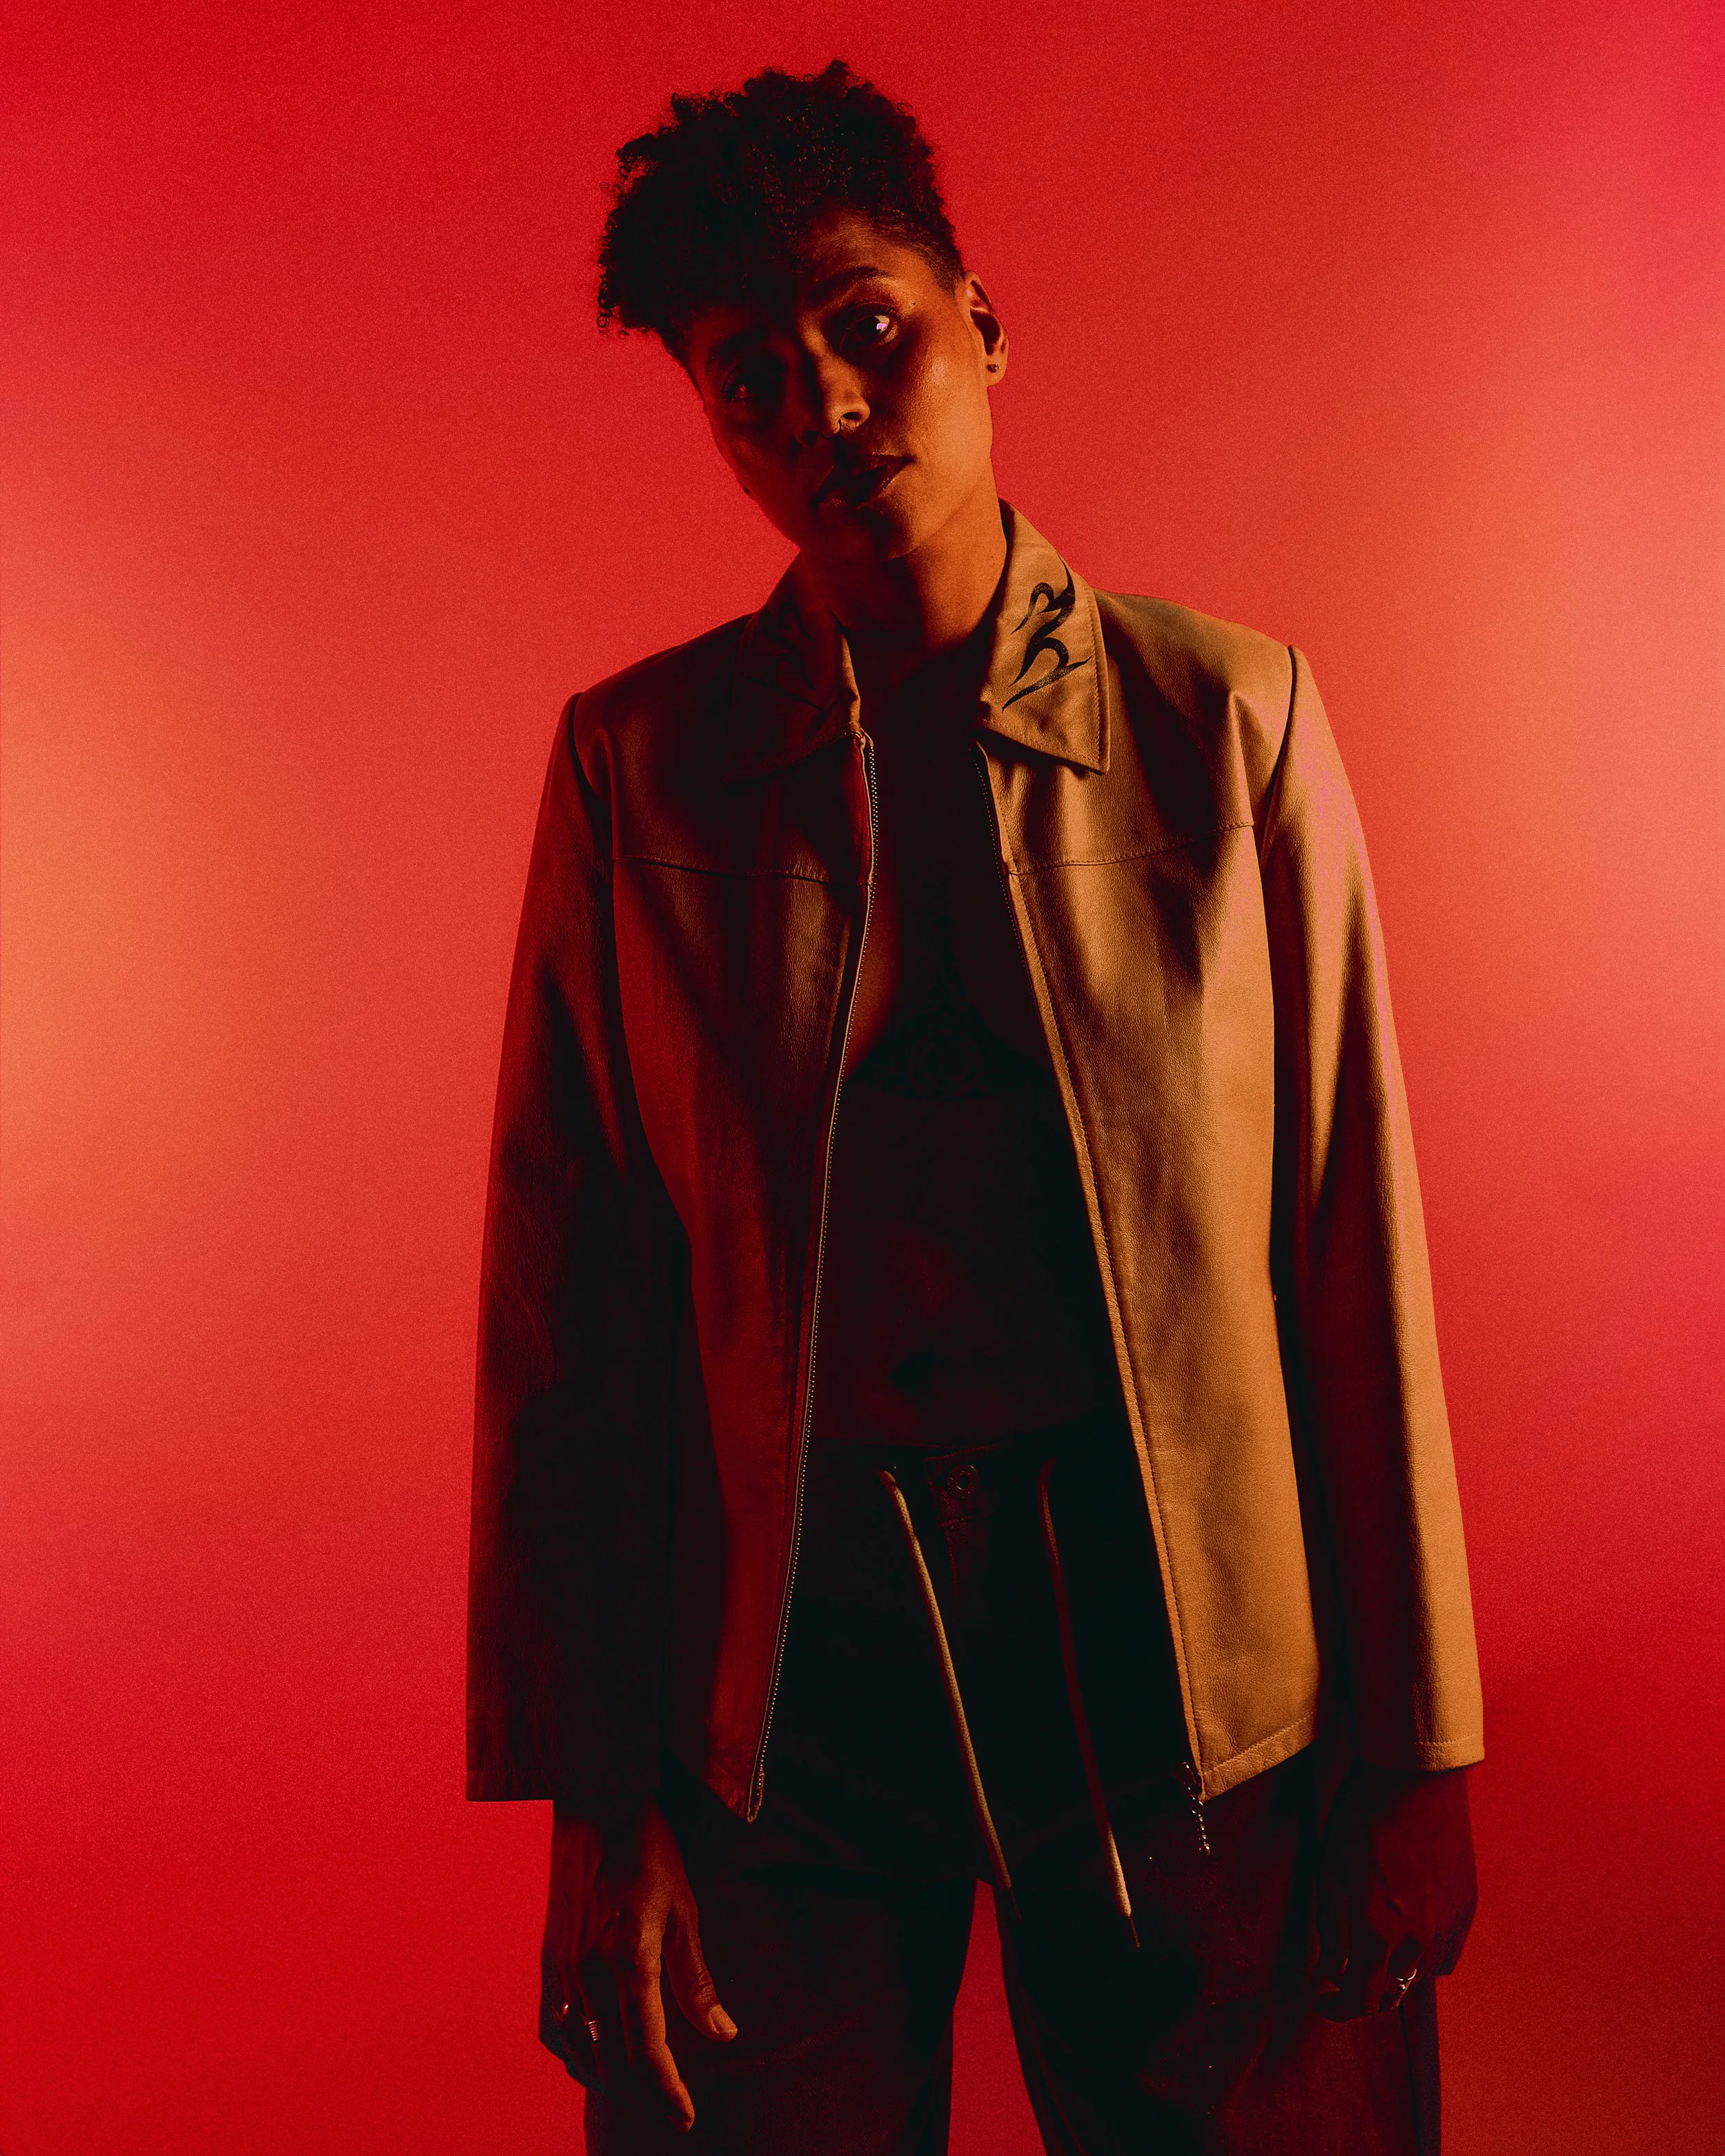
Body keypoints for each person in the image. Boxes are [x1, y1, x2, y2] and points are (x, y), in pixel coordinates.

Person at [466, 59, 1483, 2156]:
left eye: (870, 329)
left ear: (981, 323)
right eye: (752, 381)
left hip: (1191, 1674)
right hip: (788, 1698)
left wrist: (1416, 1751)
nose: (829, 408)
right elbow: (577, 1327)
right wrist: (598, 1802)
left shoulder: (1228, 722)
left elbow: (1347, 1251)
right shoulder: (636, 771)